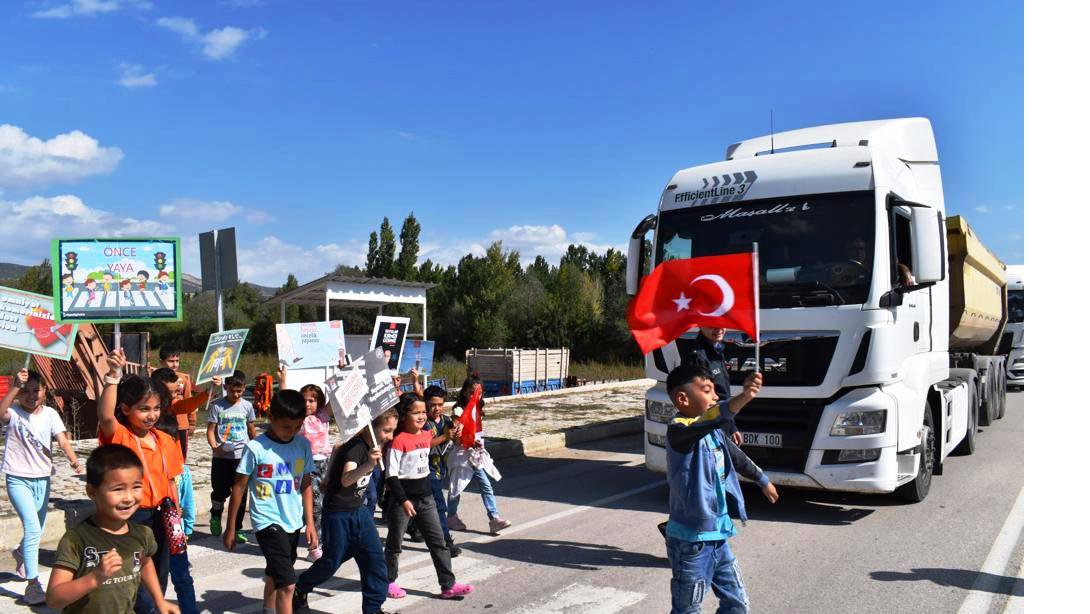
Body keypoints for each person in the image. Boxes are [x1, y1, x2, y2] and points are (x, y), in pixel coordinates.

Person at [663, 364, 779, 614]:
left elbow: (736, 457)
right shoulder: (679, 432)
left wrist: (762, 480)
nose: (715, 396)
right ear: (683, 399)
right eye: (707, 390)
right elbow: (714, 417)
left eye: (716, 390)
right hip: (691, 543)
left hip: (718, 538)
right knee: (687, 611)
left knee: (738, 605)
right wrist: (744, 396)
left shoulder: (712, 432)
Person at [97, 349, 185, 614]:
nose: (152, 415)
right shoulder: (120, 436)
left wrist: (176, 517)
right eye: (144, 409)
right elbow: (105, 417)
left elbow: (171, 481)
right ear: (126, 409)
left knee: (159, 576)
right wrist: (113, 377)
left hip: (162, 517)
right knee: (133, 579)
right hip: (131, 518)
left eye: (156, 408)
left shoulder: (165, 440)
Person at [45, 444, 180, 614]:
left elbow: (144, 561)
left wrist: (159, 600)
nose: (129, 498)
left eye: (136, 487)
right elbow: (53, 599)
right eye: (118, 489)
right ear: (92, 492)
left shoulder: (142, 534)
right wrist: (94, 577)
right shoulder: (76, 539)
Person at [292, 409, 398, 614]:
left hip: (359, 512)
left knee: (374, 560)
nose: (390, 436)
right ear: (371, 426)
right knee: (331, 561)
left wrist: (327, 478)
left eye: (393, 430)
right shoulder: (357, 448)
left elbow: (336, 448)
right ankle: (300, 588)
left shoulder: (369, 446)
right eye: (386, 430)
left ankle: (373, 609)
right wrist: (368, 464)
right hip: (338, 515)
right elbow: (347, 478)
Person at [224, 389, 317, 614]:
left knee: (277, 573)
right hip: (267, 521)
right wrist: (231, 527)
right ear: (271, 418)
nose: (291, 432)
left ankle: (268, 609)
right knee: (288, 584)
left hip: (293, 520)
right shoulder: (255, 447)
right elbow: (238, 487)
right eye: (286, 427)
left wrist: (310, 523)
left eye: (297, 427)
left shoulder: (303, 445)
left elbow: (305, 485)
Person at [1, 368, 81, 605]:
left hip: (42, 478)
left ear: (45, 391)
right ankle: (33, 586)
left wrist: (73, 459)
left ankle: (20, 553)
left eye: (36, 390)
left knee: (37, 528)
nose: (31, 395)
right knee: (34, 529)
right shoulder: (13, 413)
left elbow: (62, 438)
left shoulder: (50, 414)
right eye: (25, 391)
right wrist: (16, 385)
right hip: (17, 478)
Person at [383, 393, 474, 600]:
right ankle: (388, 581)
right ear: (404, 415)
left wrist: (451, 434)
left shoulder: (425, 434)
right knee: (394, 545)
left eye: (423, 412)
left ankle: (448, 585)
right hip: (402, 501)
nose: (422, 416)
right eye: (416, 412)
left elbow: (431, 442)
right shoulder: (397, 441)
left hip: (426, 499)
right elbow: (391, 475)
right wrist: (403, 500)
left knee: (438, 542)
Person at [446, 375, 510, 535]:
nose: (475, 396)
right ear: (465, 392)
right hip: (462, 455)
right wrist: (467, 440)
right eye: (471, 392)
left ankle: (494, 518)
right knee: (457, 488)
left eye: (478, 393)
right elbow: (457, 436)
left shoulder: (477, 409)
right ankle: (451, 516)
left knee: (486, 485)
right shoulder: (459, 410)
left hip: (476, 455)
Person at [681, 327, 766, 447]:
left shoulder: (717, 350)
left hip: (721, 422)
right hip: (708, 429)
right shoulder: (697, 357)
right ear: (700, 324)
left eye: (722, 323)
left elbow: (723, 393)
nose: (718, 328)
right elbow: (698, 401)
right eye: (712, 324)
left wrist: (731, 426)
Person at [153, 412, 198, 614]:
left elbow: (187, 503)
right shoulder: (148, 469)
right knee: (161, 575)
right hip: (159, 528)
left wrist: (186, 527)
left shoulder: (182, 471)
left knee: (180, 575)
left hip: (174, 530)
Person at [206, 370, 256, 542]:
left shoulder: (247, 407)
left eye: (240, 391)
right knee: (220, 492)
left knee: (241, 495)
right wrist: (215, 447)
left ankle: (236, 528)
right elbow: (210, 431)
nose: (236, 394)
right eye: (232, 390)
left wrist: (257, 448)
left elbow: (251, 429)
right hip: (221, 458)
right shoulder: (217, 406)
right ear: (226, 387)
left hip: (242, 458)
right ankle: (215, 515)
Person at [421, 384, 462, 556]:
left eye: (440, 404)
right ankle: (446, 541)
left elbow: (457, 443)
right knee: (439, 506)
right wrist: (445, 436)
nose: (437, 408)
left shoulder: (446, 421)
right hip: (425, 469)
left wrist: (459, 434)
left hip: (439, 469)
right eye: (432, 405)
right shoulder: (423, 423)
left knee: (422, 506)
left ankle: (414, 526)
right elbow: (424, 444)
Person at [299, 381, 333, 562]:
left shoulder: (323, 416)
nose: (307, 404)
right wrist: (282, 380)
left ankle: (321, 538)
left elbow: (336, 400)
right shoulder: (297, 418)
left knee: (324, 503)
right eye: (304, 400)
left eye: (311, 400)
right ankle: (314, 546)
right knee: (315, 505)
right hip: (303, 465)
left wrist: (343, 373)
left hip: (324, 464)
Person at [154, 346, 197, 458]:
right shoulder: (155, 377)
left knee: (181, 454)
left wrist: (192, 422)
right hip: (161, 423)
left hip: (181, 424)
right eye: (171, 361)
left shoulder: (184, 378)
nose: (174, 364)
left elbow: (189, 401)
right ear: (161, 361)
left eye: (177, 361)